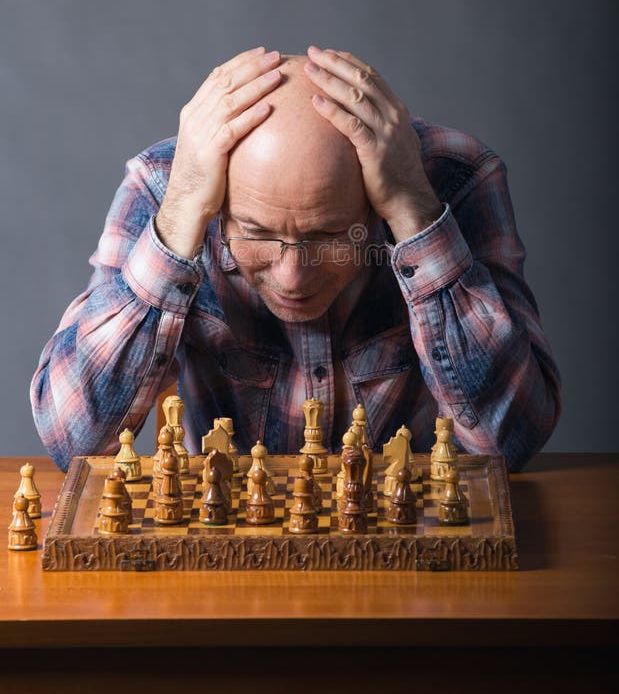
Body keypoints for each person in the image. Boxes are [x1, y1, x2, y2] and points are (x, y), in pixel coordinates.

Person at [30, 45, 561, 472]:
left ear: (373, 206)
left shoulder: (455, 181)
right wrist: (178, 220)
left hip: (407, 557)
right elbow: (74, 438)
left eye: (331, 233)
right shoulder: (168, 190)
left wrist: (413, 210)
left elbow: (510, 440)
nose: (293, 276)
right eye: (257, 234)